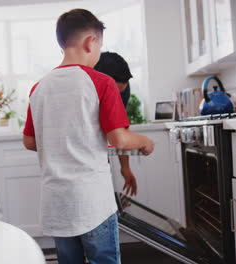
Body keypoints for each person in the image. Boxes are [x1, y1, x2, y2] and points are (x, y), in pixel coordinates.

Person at [22, 9, 155, 264]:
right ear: (90, 42)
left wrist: (59, 138)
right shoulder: (101, 82)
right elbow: (119, 138)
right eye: (99, 45)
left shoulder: (39, 87)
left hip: (56, 203)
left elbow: (29, 141)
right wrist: (145, 142)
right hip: (92, 203)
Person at [94, 52, 137, 197]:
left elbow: (120, 127)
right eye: (113, 92)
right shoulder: (85, 86)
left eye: (121, 92)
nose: (116, 98)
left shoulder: (122, 90)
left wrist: (125, 168)